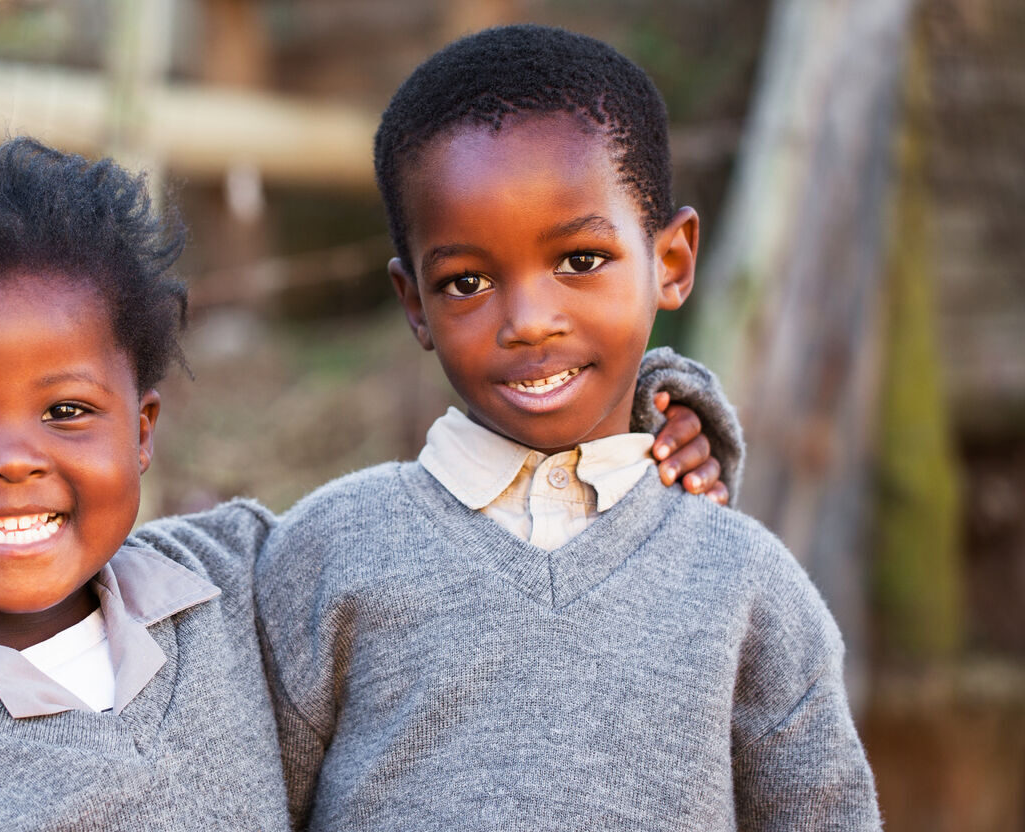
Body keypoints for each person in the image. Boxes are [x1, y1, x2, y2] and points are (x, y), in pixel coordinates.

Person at [0, 138, 730, 829]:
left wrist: (643, 420)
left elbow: (446, 529)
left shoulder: (235, 587)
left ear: (141, 431)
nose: (12, 457)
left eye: (66, 412)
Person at [254, 25, 880, 831]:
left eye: (580, 261)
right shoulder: (329, 552)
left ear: (673, 262)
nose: (529, 322)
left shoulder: (743, 584)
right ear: (415, 305)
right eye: (468, 281)